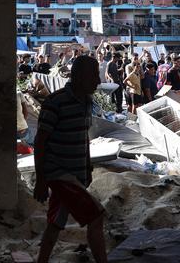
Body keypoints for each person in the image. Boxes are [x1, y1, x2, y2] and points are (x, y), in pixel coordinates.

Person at [34, 56, 106, 263]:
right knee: (96, 215)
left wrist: (87, 168)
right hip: (60, 174)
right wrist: (41, 179)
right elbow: (40, 142)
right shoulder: (55, 102)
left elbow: (82, 137)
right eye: (94, 76)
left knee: (55, 223)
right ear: (80, 76)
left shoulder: (86, 102)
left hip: (74, 174)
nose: (98, 81)